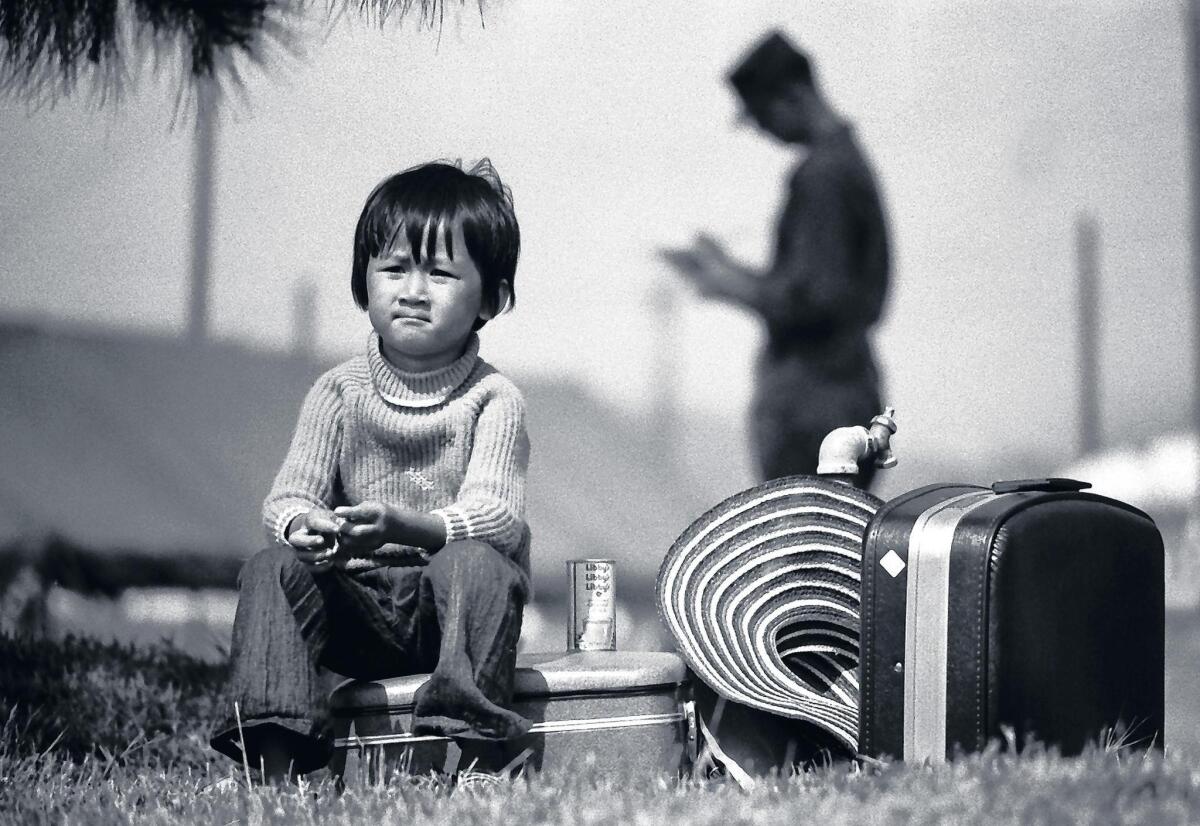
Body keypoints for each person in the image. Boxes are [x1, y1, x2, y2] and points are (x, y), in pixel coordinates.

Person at [210, 160, 532, 781]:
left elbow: (495, 520)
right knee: (271, 566)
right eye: (393, 268)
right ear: (363, 283)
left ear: (491, 299)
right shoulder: (337, 393)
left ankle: (469, 762)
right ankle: (275, 772)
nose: (413, 289)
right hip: (357, 609)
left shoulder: (495, 400)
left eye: (440, 273)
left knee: (475, 563)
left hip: (451, 617)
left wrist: (399, 526)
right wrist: (306, 527)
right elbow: (286, 500)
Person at [661, 31, 889, 488]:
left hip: (814, 406)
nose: (764, 130)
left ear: (790, 96)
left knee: (798, 546)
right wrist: (732, 270)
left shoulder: (823, 175)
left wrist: (729, 283)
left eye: (762, 115)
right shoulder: (843, 163)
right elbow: (815, 284)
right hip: (839, 395)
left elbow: (814, 301)